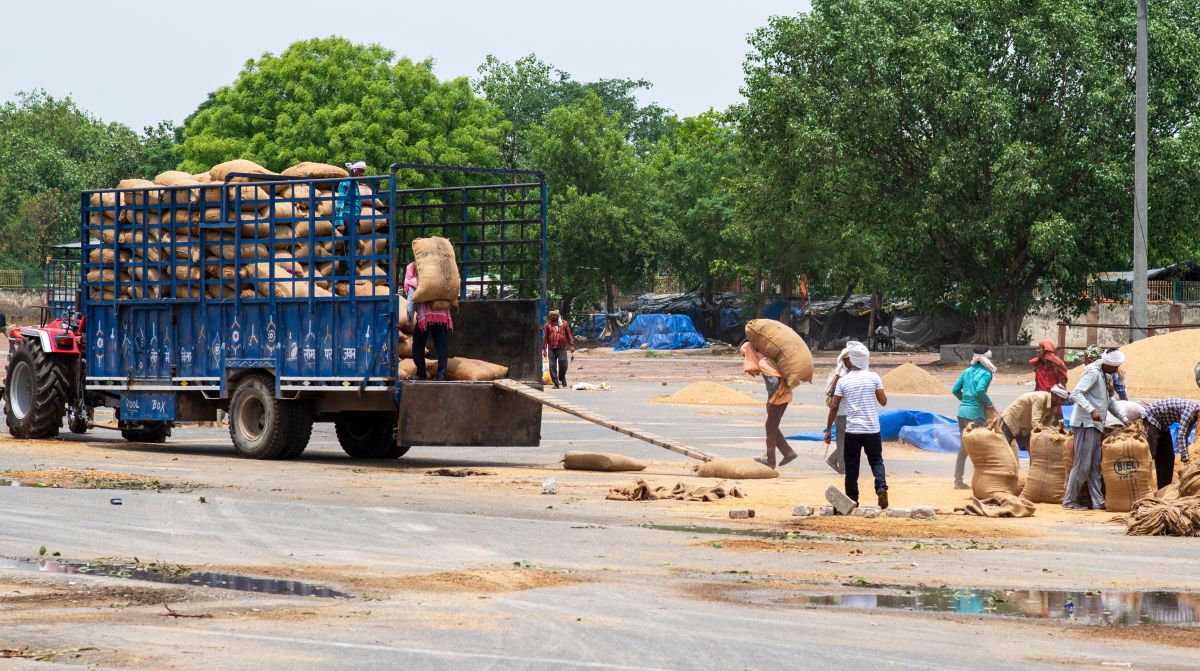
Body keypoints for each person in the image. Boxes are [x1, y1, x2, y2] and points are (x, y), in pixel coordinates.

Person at [823, 342, 889, 509]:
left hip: (852, 430)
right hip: (872, 429)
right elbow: (883, 401)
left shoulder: (844, 381)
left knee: (852, 465)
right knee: (876, 461)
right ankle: (881, 487)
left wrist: (828, 429)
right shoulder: (874, 377)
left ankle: (852, 499)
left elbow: (834, 406)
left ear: (852, 360)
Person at [1064, 349, 1131, 510]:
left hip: (1096, 425)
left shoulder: (1105, 375)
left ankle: (1097, 501)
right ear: (1107, 364)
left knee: (1095, 465)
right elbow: (1076, 394)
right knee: (1082, 465)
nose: (1115, 370)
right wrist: (1091, 410)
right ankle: (1069, 501)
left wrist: (1125, 419)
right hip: (1085, 424)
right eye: (1114, 367)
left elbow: (1109, 402)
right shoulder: (1093, 373)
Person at [741, 339, 798, 468]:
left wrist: (770, 400)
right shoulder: (768, 359)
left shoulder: (762, 362)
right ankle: (788, 452)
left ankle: (770, 461)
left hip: (779, 397)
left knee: (770, 428)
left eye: (745, 356)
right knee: (772, 426)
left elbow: (773, 382)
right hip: (785, 395)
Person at [951, 346, 997, 489]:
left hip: (962, 414)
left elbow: (955, 390)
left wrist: (965, 400)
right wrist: (988, 404)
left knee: (963, 448)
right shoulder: (986, 373)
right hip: (976, 415)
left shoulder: (967, 371)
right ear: (987, 359)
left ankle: (958, 481)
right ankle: (983, 481)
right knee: (981, 448)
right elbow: (980, 390)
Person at [403, 261, 452, 381]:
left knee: (418, 345)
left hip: (425, 318)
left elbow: (410, 303)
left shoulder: (415, 280)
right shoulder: (439, 278)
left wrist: (409, 321)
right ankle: (441, 375)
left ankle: (421, 373)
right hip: (442, 316)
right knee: (442, 346)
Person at [998, 385, 1069, 457]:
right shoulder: (1040, 398)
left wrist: (1051, 432)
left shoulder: (1054, 405)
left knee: (1033, 451)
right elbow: (1035, 421)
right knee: (1004, 448)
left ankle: (1034, 468)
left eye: (1063, 400)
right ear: (1054, 395)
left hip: (1026, 426)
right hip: (1012, 420)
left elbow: (1047, 423)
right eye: (1061, 399)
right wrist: (1044, 434)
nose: (1062, 402)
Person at [1142, 398, 1198, 489]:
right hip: (1151, 419)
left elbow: (1186, 433)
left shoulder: (1194, 415)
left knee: (1168, 456)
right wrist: (1185, 458)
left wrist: (1185, 453)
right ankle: (1144, 487)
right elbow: (1181, 435)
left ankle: (1163, 488)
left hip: (1163, 425)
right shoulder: (1190, 412)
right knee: (1151, 454)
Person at [822, 345, 855, 474]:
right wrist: (829, 428)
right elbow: (835, 404)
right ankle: (843, 469)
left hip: (848, 413)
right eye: (852, 359)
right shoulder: (841, 376)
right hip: (841, 414)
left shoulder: (847, 373)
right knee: (843, 443)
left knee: (848, 442)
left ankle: (832, 459)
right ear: (846, 360)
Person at [542, 310, 575, 389]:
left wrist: (571, 345)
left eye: (554, 315)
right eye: (551, 315)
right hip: (551, 348)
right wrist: (544, 349)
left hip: (561, 347)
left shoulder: (564, 323)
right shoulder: (547, 325)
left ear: (558, 316)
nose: (552, 317)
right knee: (552, 366)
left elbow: (569, 335)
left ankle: (562, 377)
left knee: (563, 363)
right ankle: (556, 383)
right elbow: (545, 337)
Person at [334, 160, 366, 235]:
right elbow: (340, 202)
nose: (362, 174)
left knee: (354, 242)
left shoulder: (355, 182)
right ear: (355, 170)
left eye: (363, 171)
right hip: (348, 217)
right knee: (351, 244)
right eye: (361, 171)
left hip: (355, 217)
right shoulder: (346, 182)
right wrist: (339, 222)